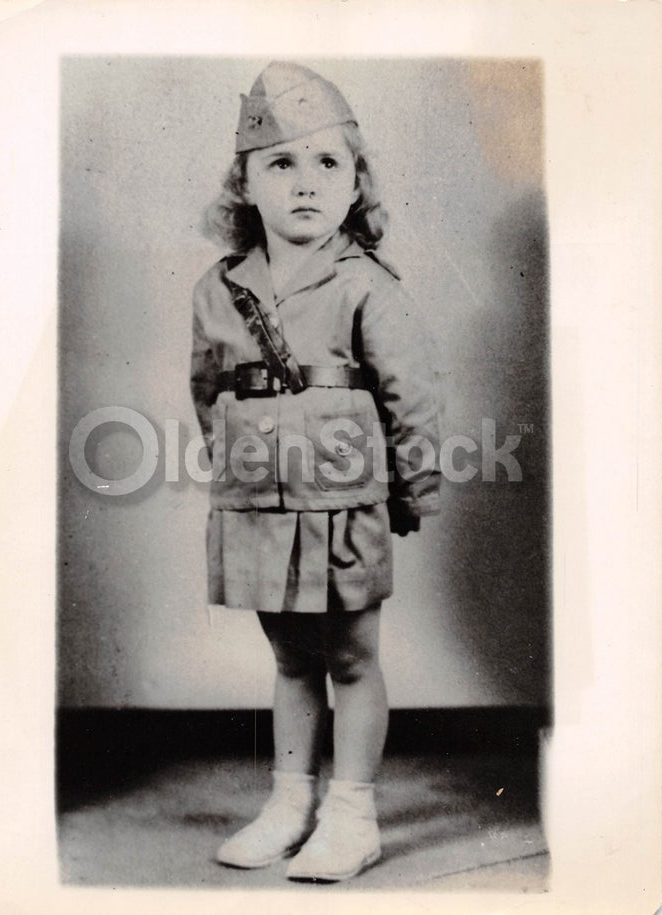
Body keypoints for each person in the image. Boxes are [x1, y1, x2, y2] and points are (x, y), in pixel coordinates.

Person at [190, 61, 441, 882]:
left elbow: (412, 396)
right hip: (260, 502)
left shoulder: (365, 284)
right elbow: (207, 392)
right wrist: (239, 473)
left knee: (351, 656)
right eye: (282, 164)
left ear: (356, 181)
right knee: (292, 658)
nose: (305, 184)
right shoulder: (219, 290)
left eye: (328, 163)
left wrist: (410, 486)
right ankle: (290, 802)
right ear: (246, 185)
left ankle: (352, 814)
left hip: (344, 501)